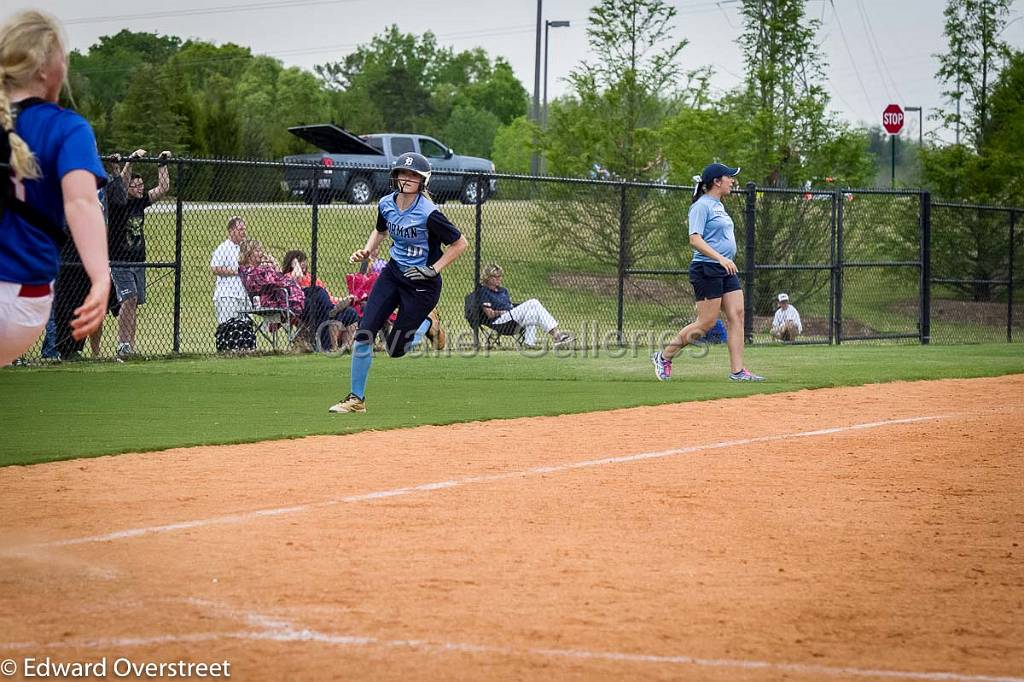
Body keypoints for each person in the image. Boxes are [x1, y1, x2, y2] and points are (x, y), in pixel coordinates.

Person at [0, 10, 109, 367]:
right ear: (45, 69)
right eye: (63, 56)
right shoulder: (66, 127)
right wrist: (99, 278)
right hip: (21, 302)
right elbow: (81, 202)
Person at [329, 151, 468, 414]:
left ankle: (429, 324)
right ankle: (356, 399)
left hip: (421, 285)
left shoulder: (429, 213)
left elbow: (460, 243)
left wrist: (434, 269)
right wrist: (368, 250)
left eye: (413, 175)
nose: (406, 178)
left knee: (395, 349)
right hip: (393, 274)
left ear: (423, 181)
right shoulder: (386, 203)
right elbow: (381, 230)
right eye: (403, 173)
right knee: (364, 333)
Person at [652, 162, 764, 382]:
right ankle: (664, 356)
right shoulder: (701, 206)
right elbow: (694, 239)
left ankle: (738, 371)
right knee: (707, 323)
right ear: (716, 181)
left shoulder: (718, 205)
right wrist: (720, 258)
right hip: (707, 268)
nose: (732, 181)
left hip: (725, 268)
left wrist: (725, 259)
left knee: (737, 315)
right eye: (728, 177)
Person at [107, 147, 171, 356]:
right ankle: (122, 344)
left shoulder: (141, 202)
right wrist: (130, 162)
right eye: (136, 186)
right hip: (120, 260)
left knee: (134, 303)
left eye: (142, 185)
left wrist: (162, 165)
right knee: (129, 298)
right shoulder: (118, 203)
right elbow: (121, 187)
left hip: (138, 260)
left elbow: (163, 188)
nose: (140, 189)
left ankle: (129, 348)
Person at [280, 248, 359, 351]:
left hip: (322, 306)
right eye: (299, 261)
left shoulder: (312, 278)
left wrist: (343, 299)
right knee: (321, 298)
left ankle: (346, 348)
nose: (303, 263)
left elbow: (328, 296)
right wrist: (296, 266)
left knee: (350, 312)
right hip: (301, 308)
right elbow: (297, 279)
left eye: (304, 260)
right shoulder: (288, 276)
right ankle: (330, 347)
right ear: (292, 264)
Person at [477, 263, 573, 348]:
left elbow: (509, 305)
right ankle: (557, 335)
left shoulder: (503, 290)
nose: (499, 279)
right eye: (495, 277)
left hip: (512, 319)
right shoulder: (484, 292)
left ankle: (529, 344)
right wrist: (502, 312)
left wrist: (511, 310)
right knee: (533, 302)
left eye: (500, 276)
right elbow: (489, 314)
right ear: (487, 278)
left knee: (533, 312)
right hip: (500, 322)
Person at [210, 215, 248, 325]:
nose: (244, 232)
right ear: (231, 231)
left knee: (244, 328)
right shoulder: (223, 248)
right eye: (240, 229)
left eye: (244, 229)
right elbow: (215, 268)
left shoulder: (245, 248)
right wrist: (237, 271)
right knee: (228, 327)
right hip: (227, 295)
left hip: (243, 295)